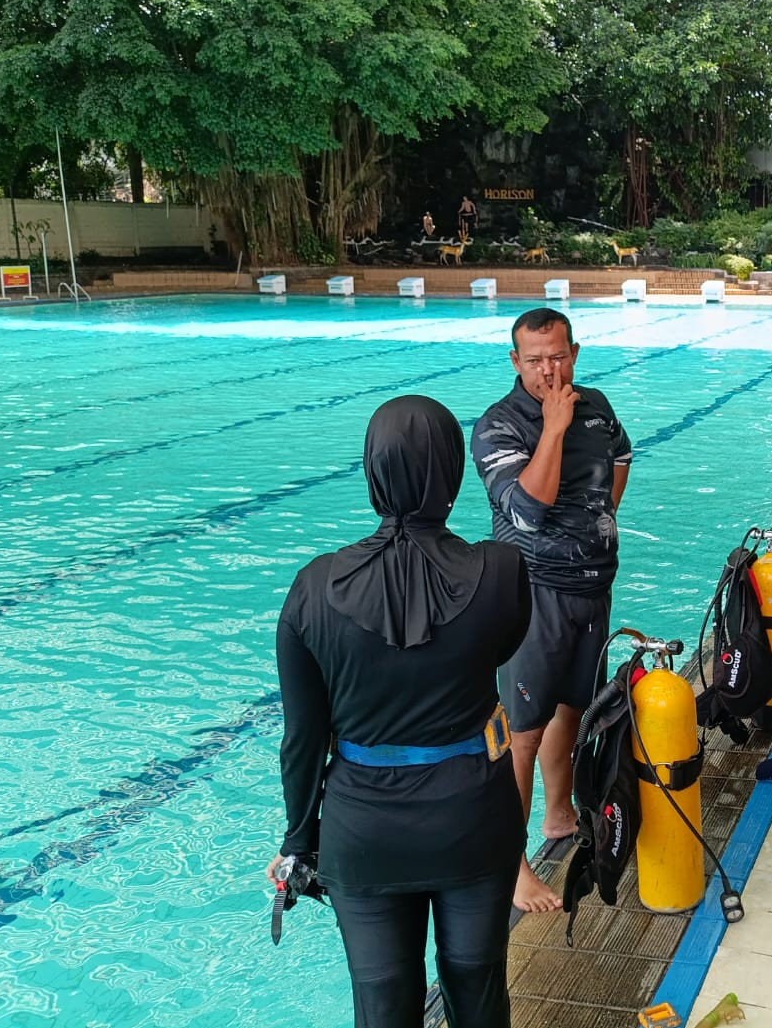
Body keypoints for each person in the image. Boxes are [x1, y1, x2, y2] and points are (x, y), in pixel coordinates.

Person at [272, 395, 531, 1028]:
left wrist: (298, 842)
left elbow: (303, 740)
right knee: (478, 992)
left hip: (364, 835)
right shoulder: (500, 572)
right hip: (474, 820)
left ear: (372, 471)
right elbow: (502, 648)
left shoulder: (314, 588)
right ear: (452, 470)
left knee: (383, 1005)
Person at [472, 307, 632, 913]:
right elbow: (530, 509)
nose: (548, 369)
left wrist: (600, 517)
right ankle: (511, 866)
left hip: (592, 587)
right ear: (515, 362)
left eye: (558, 356)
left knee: (575, 706)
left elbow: (620, 456)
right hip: (531, 595)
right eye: (534, 359)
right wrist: (554, 427)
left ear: (575, 352)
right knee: (523, 732)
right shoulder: (499, 427)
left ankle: (559, 815)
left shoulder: (595, 403)